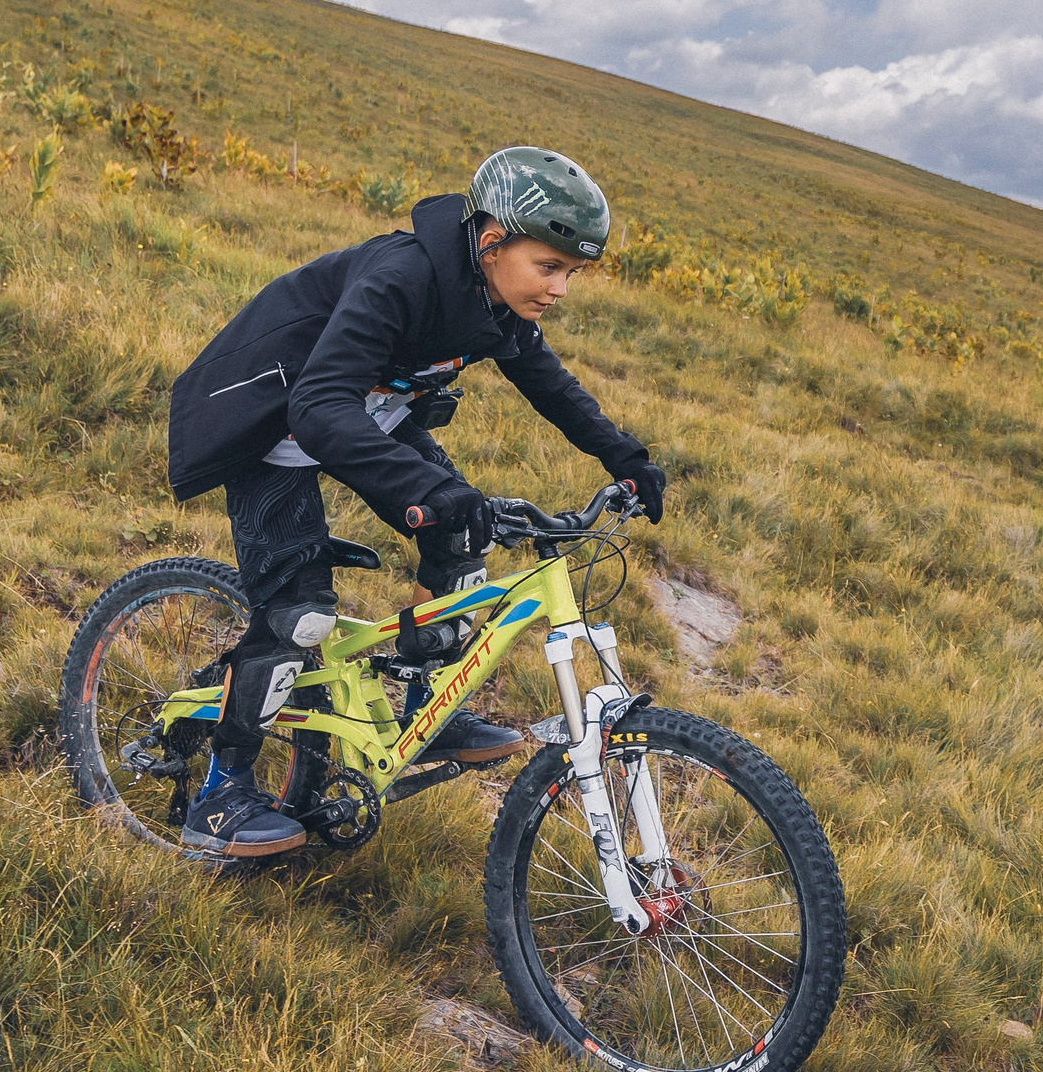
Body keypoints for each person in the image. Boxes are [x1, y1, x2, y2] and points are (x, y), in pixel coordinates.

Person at [161, 146, 666, 857]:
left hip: (360, 418)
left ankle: (426, 715)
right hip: (278, 424)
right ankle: (221, 792)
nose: (559, 288)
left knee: (462, 551)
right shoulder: (402, 277)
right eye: (549, 266)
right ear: (491, 243)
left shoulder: (495, 301)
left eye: (571, 273)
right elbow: (315, 406)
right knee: (299, 616)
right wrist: (429, 489)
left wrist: (626, 457)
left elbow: (549, 383)